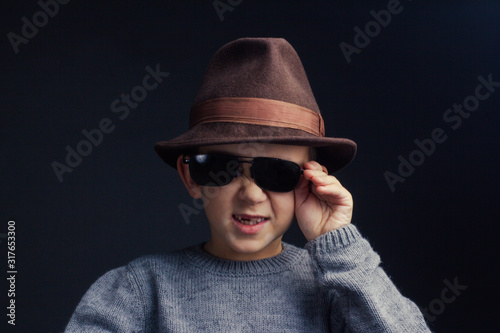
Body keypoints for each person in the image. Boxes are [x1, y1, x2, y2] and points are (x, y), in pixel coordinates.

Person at [65, 37, 431, 332]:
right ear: (190, 176)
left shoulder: (337, 291)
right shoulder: (140, 291)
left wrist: (340, 247)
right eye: (222, 169)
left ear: (312, 180)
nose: (251, 193)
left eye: (277, 173)